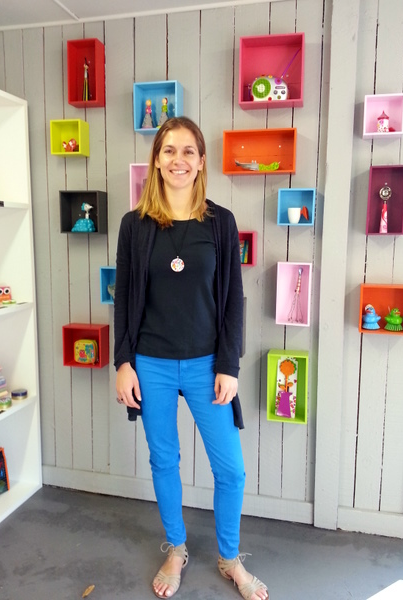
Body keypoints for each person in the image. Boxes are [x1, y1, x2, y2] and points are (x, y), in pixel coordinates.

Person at [114, 116, 268, 600]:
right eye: (169, 150)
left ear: (201, 162)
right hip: (151, 363)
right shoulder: (134, 225)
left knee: (231, 470)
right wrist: (123, 362)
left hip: (207, 365)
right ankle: (176, 549)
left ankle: (229, 558)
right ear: (157, 160)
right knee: (165, 460)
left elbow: (233, 299)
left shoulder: (220, 222)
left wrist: (229, 365)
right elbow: (124, 300)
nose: (178, 160)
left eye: (187, 151)